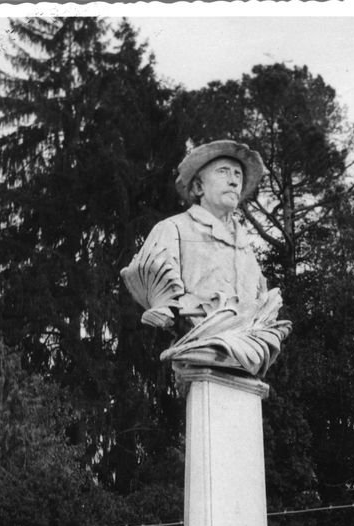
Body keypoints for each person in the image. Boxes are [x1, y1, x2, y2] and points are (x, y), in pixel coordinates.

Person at [122, 140, 290, 378]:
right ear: (199, 186)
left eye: (238, 175)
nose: (234, 181)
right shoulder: (172, 230)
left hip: (250, 352)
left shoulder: (247, 249)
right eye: (223, 172)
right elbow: (149, 280)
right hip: (200, 343)